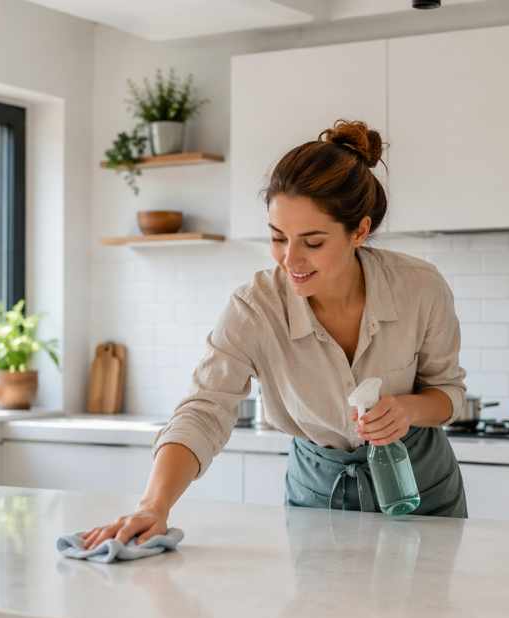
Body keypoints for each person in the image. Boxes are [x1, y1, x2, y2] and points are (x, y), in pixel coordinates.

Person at [81, 119, 468, 550]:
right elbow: (204, 411)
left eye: (313, 242)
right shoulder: (255, 308)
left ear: (359, 230)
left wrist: (408, 410)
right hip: (317, 497)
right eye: (278, 238)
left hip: (422, 491)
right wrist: (153, 506)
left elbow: (448, 392)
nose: (291, 259)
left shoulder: (419, 287)